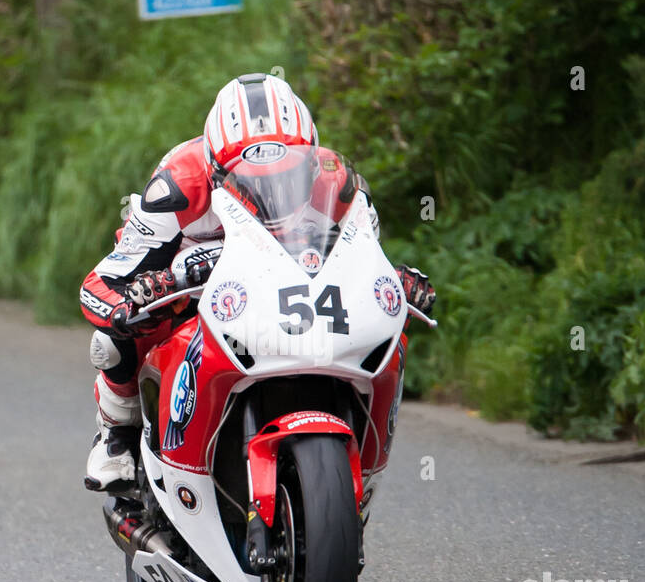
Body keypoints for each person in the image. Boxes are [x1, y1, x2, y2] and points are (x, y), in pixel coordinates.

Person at [79, 73, 435, 491]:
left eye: (286, 173)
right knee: (116, 338)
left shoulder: (336, 182)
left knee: (391, 332)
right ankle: (117, 432)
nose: (268, 187)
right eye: (243, 174)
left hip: (287, 288)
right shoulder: (176, 188)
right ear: (214, 167)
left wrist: (394, 281)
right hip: (190, 295)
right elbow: (101, 282)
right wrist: (131, 301)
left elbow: (360, 257)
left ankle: (357, 441)